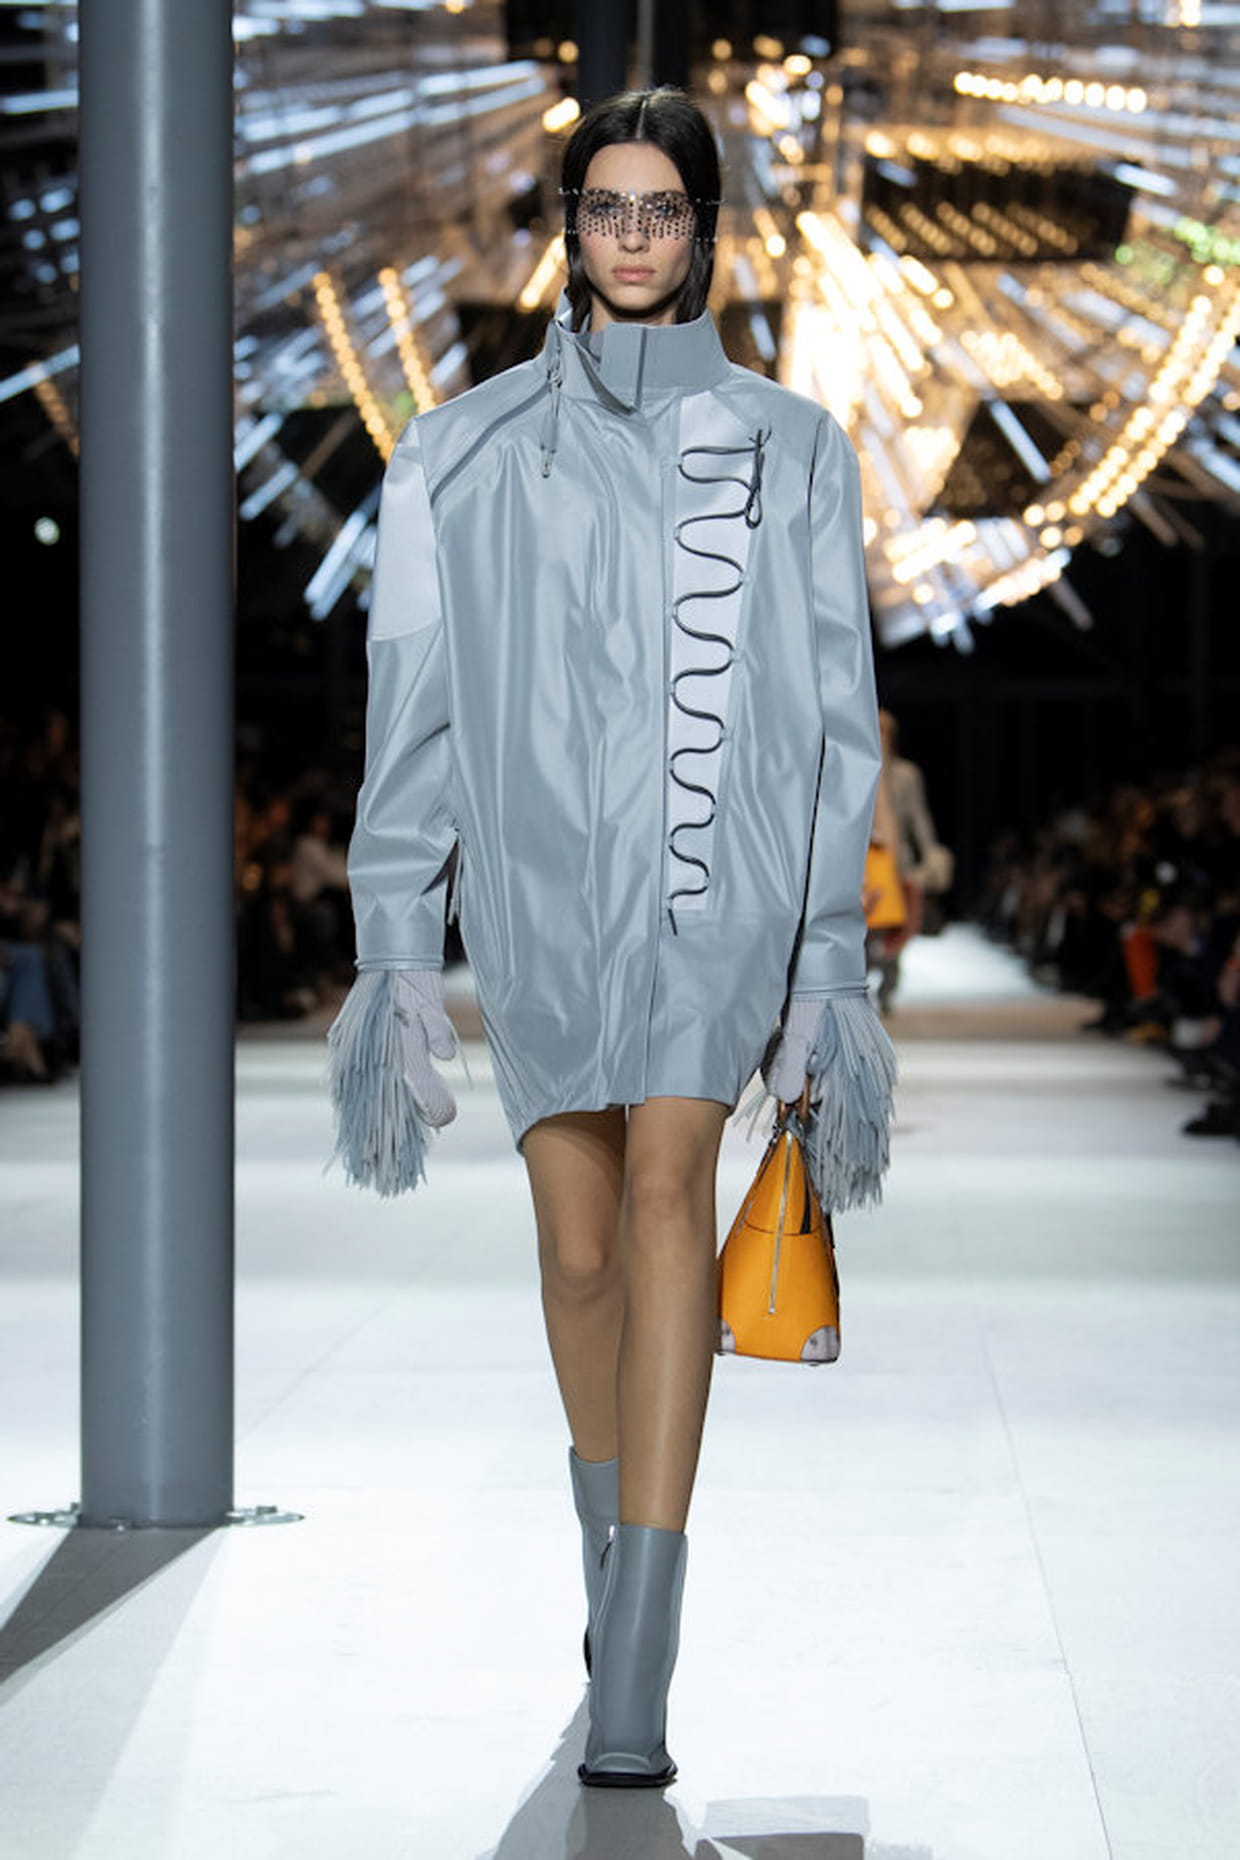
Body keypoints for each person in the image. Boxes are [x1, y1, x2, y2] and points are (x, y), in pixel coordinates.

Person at [329, 88, 895, 1788]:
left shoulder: (797, 449)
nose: (635, 236)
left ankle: (639, 1658)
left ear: (704, 232)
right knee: (577, 1252)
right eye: (607, 208)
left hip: (718, 888)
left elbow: (838, 719)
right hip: (538, 895)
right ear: (570, 227)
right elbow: (412, 712)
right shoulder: (457, 451)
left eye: (664, 210)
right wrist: (393, 936)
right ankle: (607, 1577)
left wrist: (828, 960)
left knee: (665, 1198)